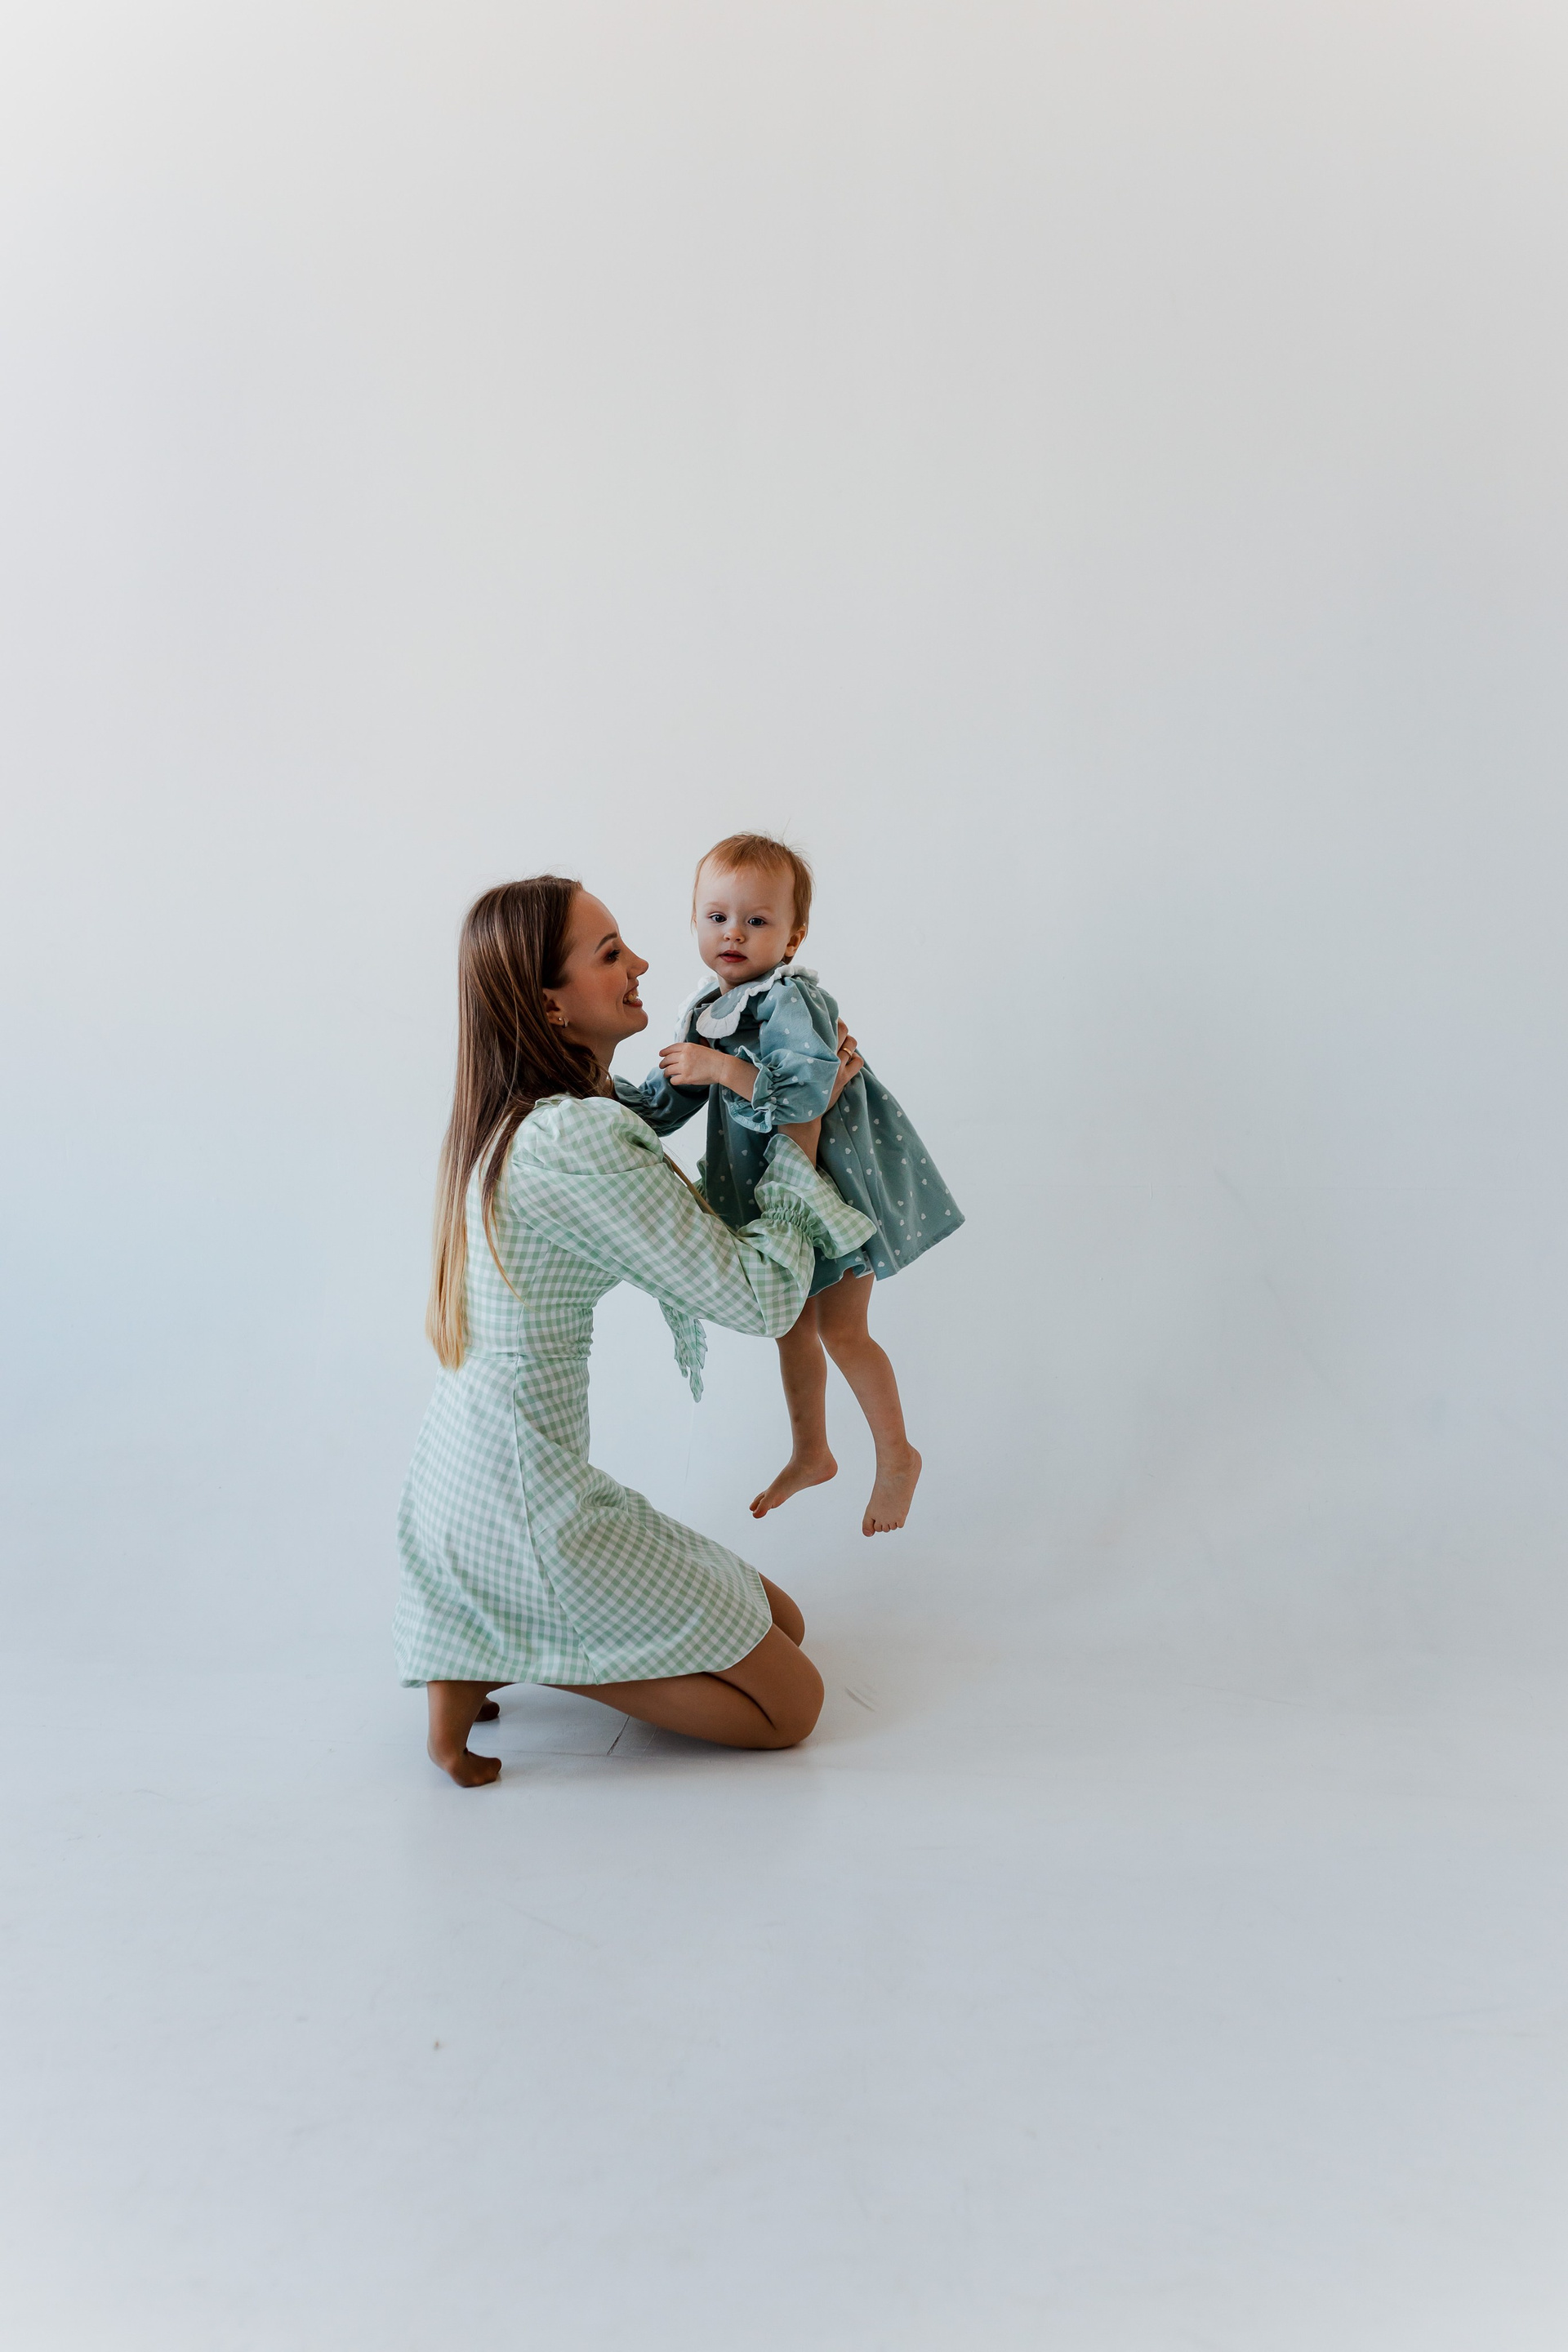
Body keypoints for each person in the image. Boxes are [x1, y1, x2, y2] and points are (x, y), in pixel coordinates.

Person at [394, 873, 874, 1787]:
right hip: (523, 1507)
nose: (644, 963)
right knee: (792, 1708)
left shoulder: (531, 1118)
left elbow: (666, 1149)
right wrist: (799, 1126)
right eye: (611, 953)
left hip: (471, 1480)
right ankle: (529, 1638)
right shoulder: (572, 1141)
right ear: (551, 1005)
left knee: (786, 1624)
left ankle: (496, 1620)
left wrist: (762, 1072)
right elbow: (762, 1299)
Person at [615, 832, 963, 1536]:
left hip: (830, 1185)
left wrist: (723, 1070)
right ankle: (812, 1452)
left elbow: (807, 1092)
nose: (733, 934)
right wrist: (603, 1092)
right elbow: (664, 1102)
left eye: (756, 920)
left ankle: (898, 1456)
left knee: (844, 1330)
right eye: (717, 917)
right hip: (777, 1194)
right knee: (790, 1324)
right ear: (694, 923)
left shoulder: (790, 998)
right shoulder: (707, 1010)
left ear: (793, 937)